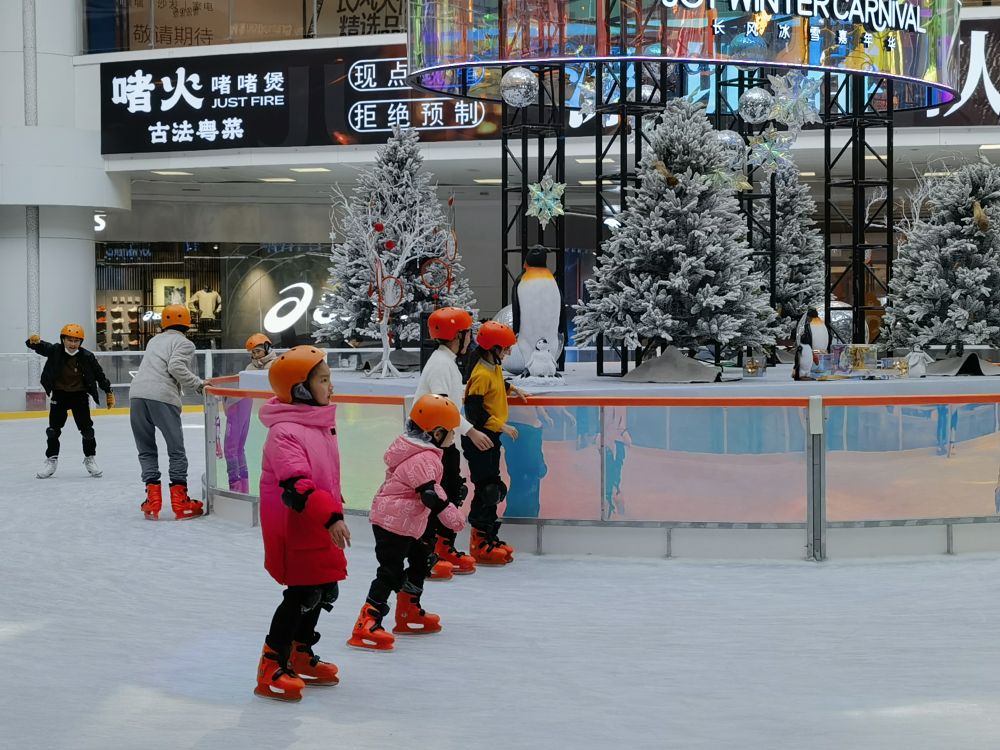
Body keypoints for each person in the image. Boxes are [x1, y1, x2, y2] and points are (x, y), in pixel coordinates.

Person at [255, 346, 350, 702]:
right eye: (323, 380)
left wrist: (332, 512)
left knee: (324, 590)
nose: (331, 386)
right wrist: (332, 517)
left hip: (319, 520)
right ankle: (271, 663)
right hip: (296, 524)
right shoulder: (285, 432)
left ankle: (299, 652)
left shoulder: (318, 423)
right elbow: (297, 485)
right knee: (302, 594)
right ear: (300, 389)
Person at [348, 394, 466, 651]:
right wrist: (453, 517)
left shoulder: (421, 451)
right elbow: (431, 494)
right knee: (389, 572)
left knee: (421, 559)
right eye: (451, 432)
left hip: (406, 523)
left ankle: (407, 610)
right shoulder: (424, 458)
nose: (454, 436)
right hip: (392, 524)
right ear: (436, 433)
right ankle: (367, 621)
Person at [414, 307, 494, 577]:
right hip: (432, 443)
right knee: (434, 497)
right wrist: (471, 431)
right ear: (456, 335)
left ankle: (443, 546)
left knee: (450, 492)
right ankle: (426, 555)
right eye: (467, 333)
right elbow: (442, 409)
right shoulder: (440, 364)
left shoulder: (447, 362)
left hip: (445, 443)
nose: (470, 339)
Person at [128, 304, 205, 520]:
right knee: (175, 449)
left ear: (164, 323)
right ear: (187, 323)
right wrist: (198, 384)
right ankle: (180, 502)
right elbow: (175, 367)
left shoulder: (154, 340)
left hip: (137, 395)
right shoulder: (185, 343)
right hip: (162, 396)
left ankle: (152, 501)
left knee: (146, 449)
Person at [462, 320, 527, 565]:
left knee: (494, 487)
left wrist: (514, 389)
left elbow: (497, 385)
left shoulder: (493, 367)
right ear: (493, 348)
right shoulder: (480, 374)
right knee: (487, 490)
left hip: (490, 437)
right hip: (479, 438)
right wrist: (502, 426)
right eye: (505, 348)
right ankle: (479, 542)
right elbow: (474, 411)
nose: (508, 352)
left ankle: (489, 535)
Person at [26, 324, 114, 479]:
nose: (73, 344)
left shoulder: (87, 356)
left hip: (79, 396)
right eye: (69, 340)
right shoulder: (55, 350)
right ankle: (51, 460)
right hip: (59, 395)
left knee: (87, 431)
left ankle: (90, 458)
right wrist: (33, 341)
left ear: (81, 342)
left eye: (76, 341)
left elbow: (99, 374)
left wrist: (108, 391)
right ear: (63, 339)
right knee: (53, 430)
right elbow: (40, 346)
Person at [223, 333, 276, 492]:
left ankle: (238, 487)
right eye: (253, 352)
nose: (255, 355)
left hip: (267, 413)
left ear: (267, 348)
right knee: (236, 448)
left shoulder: (276, 365)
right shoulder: (250, 368)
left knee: (233, 449)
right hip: (245, 405)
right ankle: (240, 488)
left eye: (258, 351)